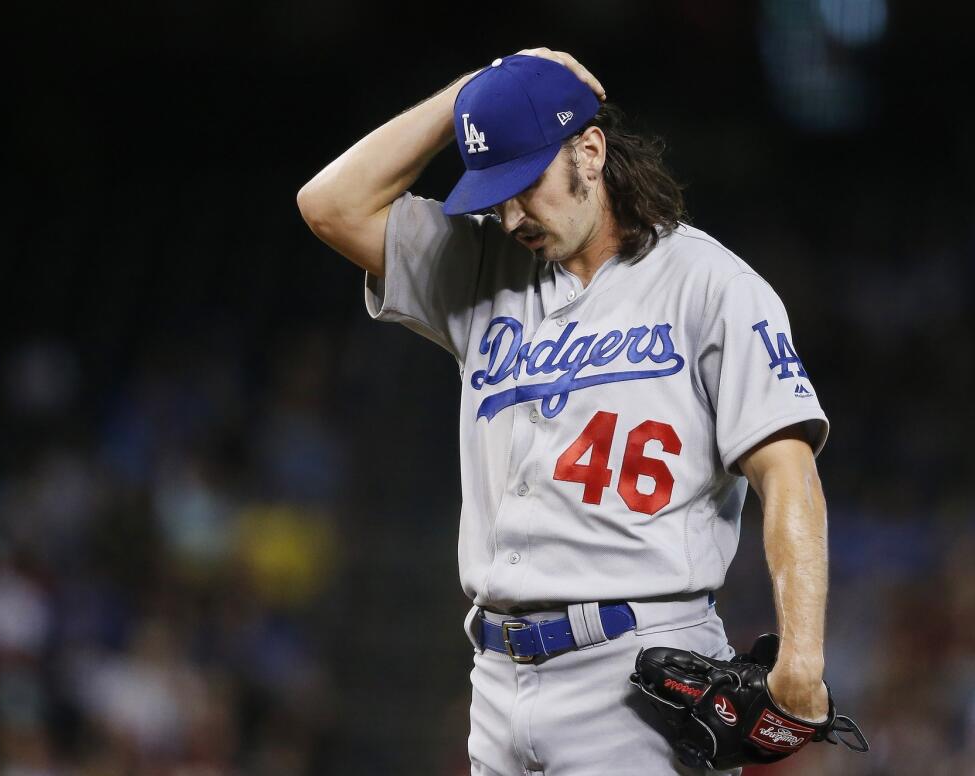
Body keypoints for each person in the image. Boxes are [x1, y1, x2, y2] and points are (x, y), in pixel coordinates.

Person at [298, 48, 835, 775]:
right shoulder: (482, 266)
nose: (513, 213)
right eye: (496, 193)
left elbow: (789, 471)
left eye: (527, 183)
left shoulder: (711, 286)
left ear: (589, 150)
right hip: (495, 678)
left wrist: (801, 655)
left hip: (638, 677)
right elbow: (329, 204)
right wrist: (475, 90)